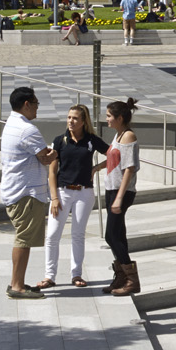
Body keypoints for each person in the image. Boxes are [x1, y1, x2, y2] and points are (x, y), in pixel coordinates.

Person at [43, 104, 107, 290]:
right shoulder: (59, 141)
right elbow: (52, 172)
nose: (71, 121)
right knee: (52, 235)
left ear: (83, 121)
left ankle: (76, 274)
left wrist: (96, 168)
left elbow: (114, 154)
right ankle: (49, 276)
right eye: (69, 117)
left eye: (75, 118)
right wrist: (54, 198)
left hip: (84, 193)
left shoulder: (91, 140)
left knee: (78, 235)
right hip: (62, 193)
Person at [1, 86, 55, 300]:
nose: (37, 109)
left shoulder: (12, 123)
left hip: (17, 190)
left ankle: (19, 283)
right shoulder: (27, 129)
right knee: (23, 239)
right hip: (26, 193)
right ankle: (17, 286)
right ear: (26, 104)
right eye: (36, 104)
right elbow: (45, 157)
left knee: (24, 238)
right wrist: (56, 151)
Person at [101, 97, 141, 298]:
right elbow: (112, 160)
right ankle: (121, 277)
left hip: (121, 192)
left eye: (109, 116)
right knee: (118, 235)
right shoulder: (118, 136)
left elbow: (129, 169)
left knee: (111, 235)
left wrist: (119, 198)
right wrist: (96, 168)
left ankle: (131, 280)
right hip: (111, 190)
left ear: (120, 118)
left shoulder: (128, 137)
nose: (106, 119)